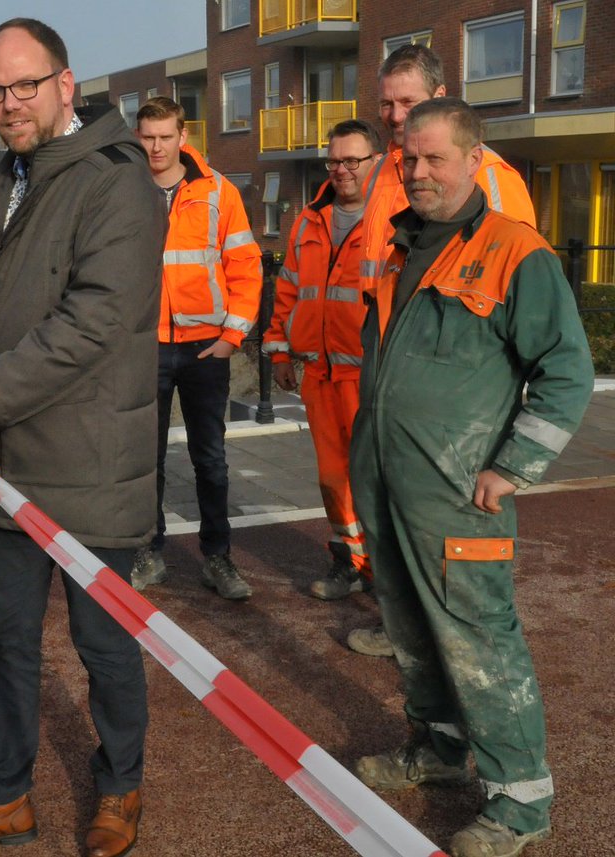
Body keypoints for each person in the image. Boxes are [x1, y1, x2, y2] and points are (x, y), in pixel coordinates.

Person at [0, 18, 166, 857]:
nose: (9, 103)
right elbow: (1, 293)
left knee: (105, 644)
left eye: (25, 85)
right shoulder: (8, 179)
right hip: (10, 465)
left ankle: (120, 787)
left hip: (91, 462)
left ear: (65, 84)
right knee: (6, 641)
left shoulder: (117, 181)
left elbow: (92, 321)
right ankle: (4, 797)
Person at [349, 98, 592, 857]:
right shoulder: (401, 248)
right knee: (411, 627)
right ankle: (441, 747)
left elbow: (567, 372)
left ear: (474, 160)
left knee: (481, 640)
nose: (418, 172)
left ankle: (520, 801)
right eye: (408, 159)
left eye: (436, 158)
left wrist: (512, 466)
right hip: (388, 484)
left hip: (459, 494)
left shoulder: (516, 252)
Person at [348, 43, 536, 657]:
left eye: (407, 101)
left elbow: (512, 285)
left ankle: (465, 652)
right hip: (393, 376)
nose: (394, 114)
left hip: (456, 402)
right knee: (399, 531)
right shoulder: (387, 173)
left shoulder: (492, 177)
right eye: (385, 103)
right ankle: (408, 631)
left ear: (439, 96)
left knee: (460, 560)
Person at [130, 96, 262, 599]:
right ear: (138, 137)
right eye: (148, 137)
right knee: (146, 459)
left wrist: (232, 338)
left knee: (210, 458)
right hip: (145, 346)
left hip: (206, 346)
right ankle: (149, 553)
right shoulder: (124, 190)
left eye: (165, 136)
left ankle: (218, 557)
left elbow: (245, 266)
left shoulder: (219, 191)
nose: (157, 147)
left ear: (183, 137)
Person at [263, 120, 381, 600]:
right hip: (320, 374)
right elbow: (288, 288)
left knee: (378, 480)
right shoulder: (308, 221)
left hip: (371, 377)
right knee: (333, 479)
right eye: (334, 161)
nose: (342, 170)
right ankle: (349, 562)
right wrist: (279, 349)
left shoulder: (393, 221)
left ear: (375, 162)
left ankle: (387, 572)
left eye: (353, 160)